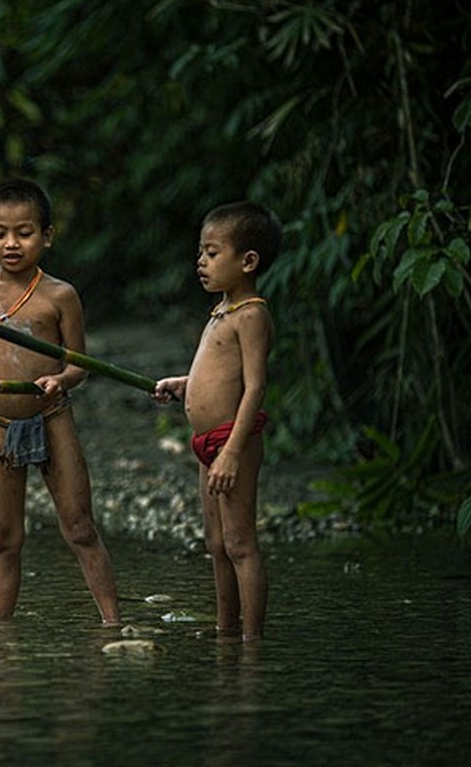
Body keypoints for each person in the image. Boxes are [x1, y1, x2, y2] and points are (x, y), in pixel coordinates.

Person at [0, 178, 120, 623]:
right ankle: (0, 633)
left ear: (46, 236)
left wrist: (62, 379)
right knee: (3, 538)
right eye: (0, 232)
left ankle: (113, 622)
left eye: (24, 233)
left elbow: (79, 364)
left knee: (80, 527)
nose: (11, 243)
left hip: (52, 417)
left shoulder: (60, 296)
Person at [153, 200, 282, 642]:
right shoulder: (221, 311)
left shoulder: (251, 315)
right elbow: (215, 376)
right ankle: (226, 629)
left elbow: (254, 388)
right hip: (207, 441)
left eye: (212, 253)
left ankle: (252, 641)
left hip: (233, 442)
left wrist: (231, 453)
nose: (201, 262)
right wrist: (183, 383)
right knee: (215, 544)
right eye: (201, 253)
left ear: (247, 261)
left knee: (240, 543)